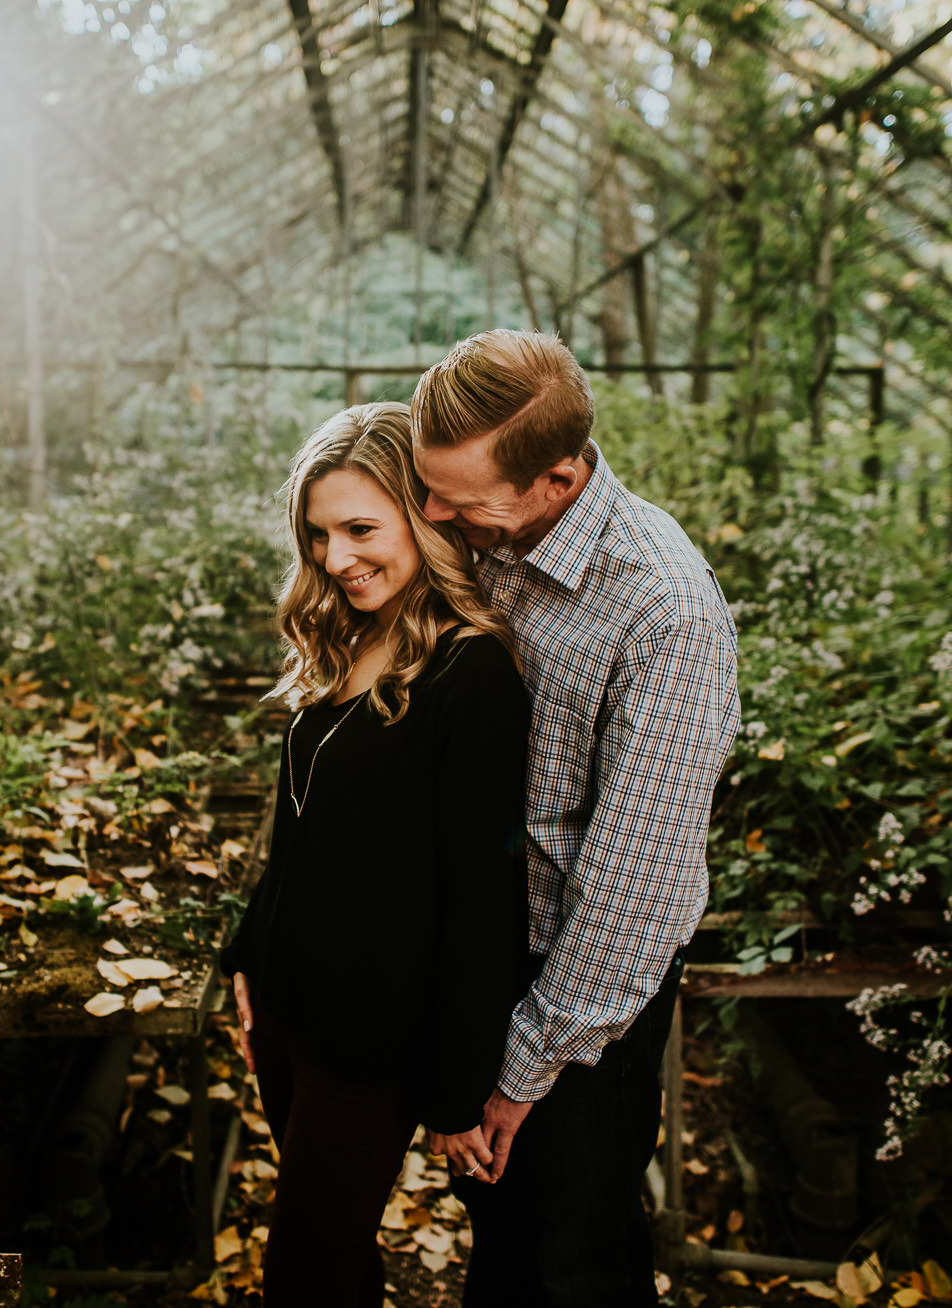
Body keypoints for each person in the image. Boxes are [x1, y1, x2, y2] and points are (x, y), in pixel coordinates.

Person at [410, 330, 741, 1307]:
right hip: (484, 939)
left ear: (557, 478)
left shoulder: (664, 612)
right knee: (501, 1229)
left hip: (580, 984)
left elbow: (635, 889)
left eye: (460, 504)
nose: (432, 514)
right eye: (428, 489)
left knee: (574, 1246)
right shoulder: (492, 533)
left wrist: (520, 1070)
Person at [218, 401, 533, 1307]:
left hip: (370, 1045)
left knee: (302, 1276)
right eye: (319, 534)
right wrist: (250, 952)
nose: (336, 557)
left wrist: (455, 1089)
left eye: (361, 528)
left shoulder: (470, 677)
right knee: (337, 1260)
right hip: (285, 1011)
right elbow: (301, 825)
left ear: (424, 520)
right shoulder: (352, 631)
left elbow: (481, 898)